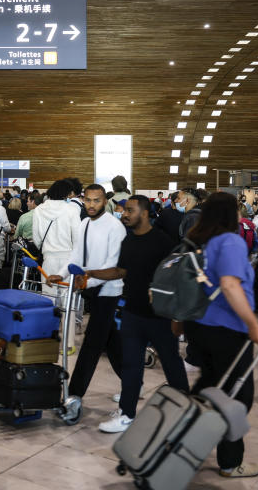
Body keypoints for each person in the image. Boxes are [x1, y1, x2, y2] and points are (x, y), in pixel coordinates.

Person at [181, 192, 258, 478]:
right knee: (237, 398)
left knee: (208, 389)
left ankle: (180, 442)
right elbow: (231, 286)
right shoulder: (230, 241)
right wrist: (253, 324)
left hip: (200, 327)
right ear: (231, 215)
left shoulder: (200, 242)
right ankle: (231, 462)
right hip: (227, 330)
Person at [97, 195, 189, 433]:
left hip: (160, 316)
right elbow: (120, 271)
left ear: (145, 213)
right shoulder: (127, 242)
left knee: (171, 363)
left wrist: (177, 315)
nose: (124, 214)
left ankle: (186, 411)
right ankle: (127, 413)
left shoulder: (163, 242)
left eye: (130, 210)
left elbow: (179, 278)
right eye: (124, 210)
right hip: (132, 313)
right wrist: (90, 274)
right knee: (131, 365)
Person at [50, 185, 125, 423]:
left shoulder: (115, 228)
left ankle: (74, 395)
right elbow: (75, 257)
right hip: (90, 288)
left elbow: (113, 266)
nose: (91, 205)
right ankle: (134, 380)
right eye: (88, 200)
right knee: (111, 342)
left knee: (91, 345)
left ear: (105, 201)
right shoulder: (84, 225)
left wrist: (86, 281)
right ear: (83, 200)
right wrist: (61, 274)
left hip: (109, 291)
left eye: (97, 201)